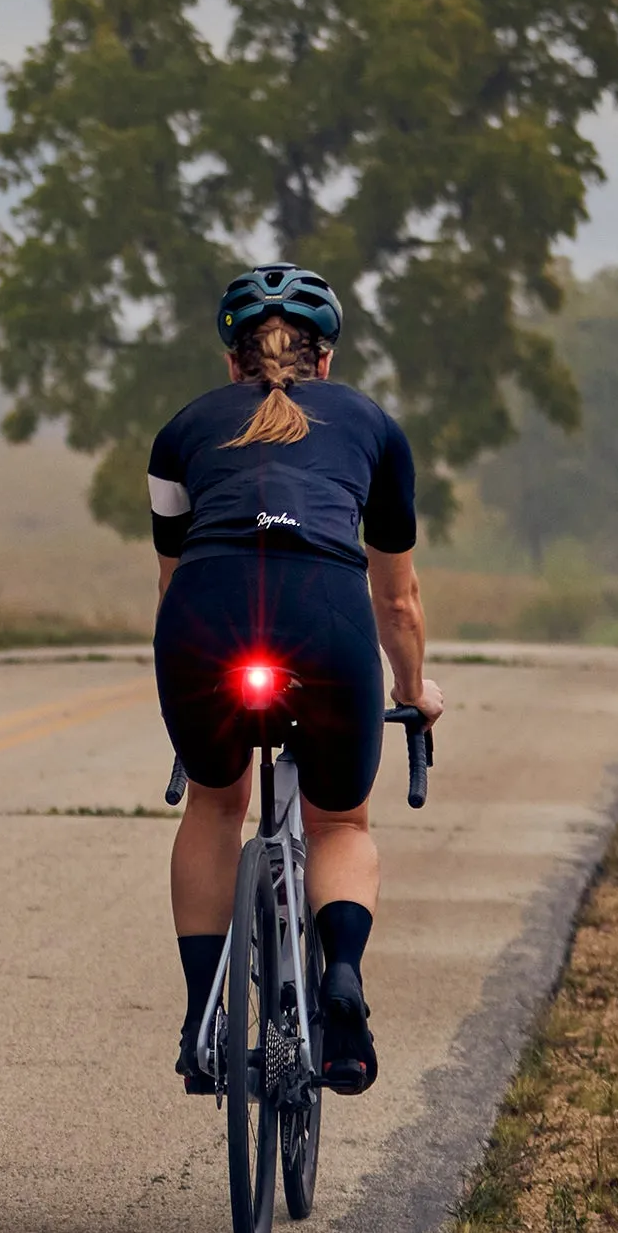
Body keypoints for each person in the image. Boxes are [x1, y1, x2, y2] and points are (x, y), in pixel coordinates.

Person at [145, 265, 429, 1095]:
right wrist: (413, 690)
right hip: (327, 619)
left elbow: (171, 580)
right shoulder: (374, 427)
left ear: (233, 360)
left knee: (215, 800)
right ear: (326, 357)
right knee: (339, 822)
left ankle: (205, 1017)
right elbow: (399, 598)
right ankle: (340, 976)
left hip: (206, 620)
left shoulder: (181, 431)